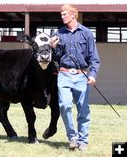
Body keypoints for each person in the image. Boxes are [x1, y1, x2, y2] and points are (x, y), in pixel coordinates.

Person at [51, 4, 100, 151]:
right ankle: (72, 137)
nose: (62, 16)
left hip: (81, 76)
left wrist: (92, 75)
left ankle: (83, 140)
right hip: (64, 75)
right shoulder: (59, 33)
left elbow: (94, 58)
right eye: (61, 14)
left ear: (73, 15)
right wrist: (54, 48)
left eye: (65, 14)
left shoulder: (86, 33)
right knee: (64, 106)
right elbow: (56, 58)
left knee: (83, 110)